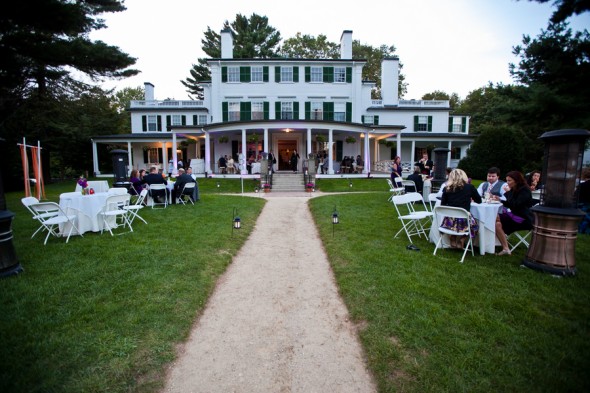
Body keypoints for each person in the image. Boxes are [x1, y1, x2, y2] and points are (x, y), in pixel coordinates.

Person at [494, 170, 534, 256]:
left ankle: (504, 247)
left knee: (496, 221)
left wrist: (508, 192)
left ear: (516, 180)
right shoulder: (515, 188)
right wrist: (500, 200)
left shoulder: (524, 190)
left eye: (509, 180)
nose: (507, 183)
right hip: (516, 215)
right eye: (507, 180)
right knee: (495, 218)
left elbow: (516, 205)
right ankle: (499, 245)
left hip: (524, 219)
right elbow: (510, 203)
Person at [440, 169, 482, 249]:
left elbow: (443, 205)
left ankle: (453, 236)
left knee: (456, 218)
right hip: (464, 219)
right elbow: (479, 201)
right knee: (475, 226)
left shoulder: (447, 188)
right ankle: (462, 239)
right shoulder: (469, 187)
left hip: (449, 221)